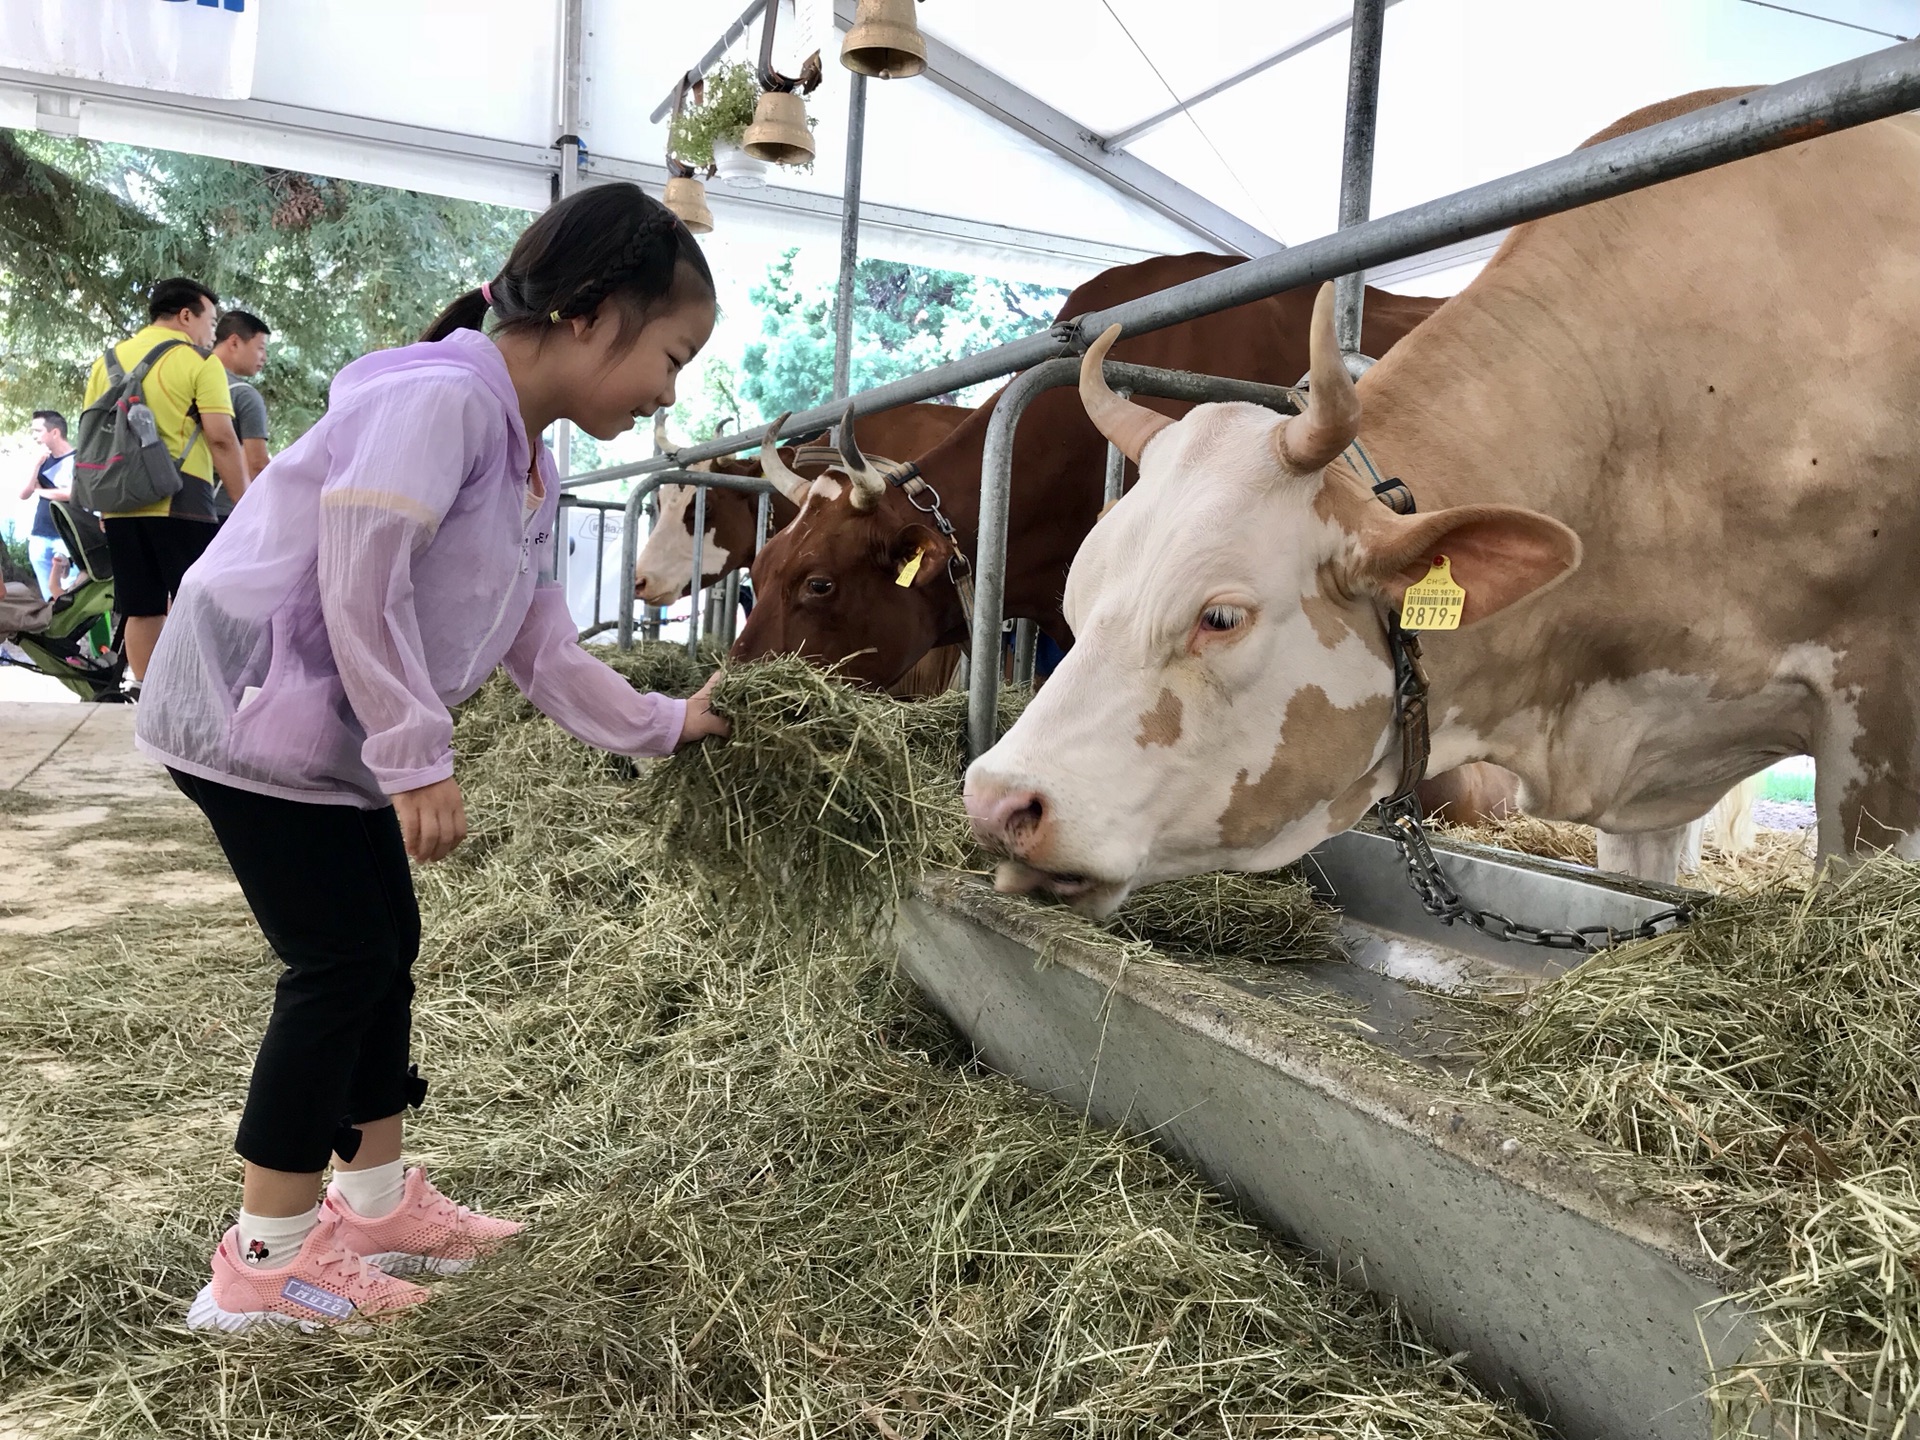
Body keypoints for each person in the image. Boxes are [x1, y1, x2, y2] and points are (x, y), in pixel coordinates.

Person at [134, 182, 729, 1332]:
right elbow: (359, 564)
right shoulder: (444, 398)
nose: (671, 387)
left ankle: (371, 1203)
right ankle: (262, 1266)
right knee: (341, 961)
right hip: (253, 713)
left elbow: (541, 646)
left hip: (324, 733)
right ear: (591, 314)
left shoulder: (527, 462)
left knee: (383, 945)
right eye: (671, 352)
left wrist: (666, 725)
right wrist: (415, 751)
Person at [84, 278, 251, 689]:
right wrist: (247, 501)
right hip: (182, 498)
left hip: (120, 500)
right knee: (201, 602)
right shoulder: (199, 362)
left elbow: (94, 436)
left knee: (141, 607)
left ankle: (152, 698)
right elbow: (221, 437)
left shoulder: (105, 362)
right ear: (186, 315)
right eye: (210, 322)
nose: (211, 333)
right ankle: (201, 694)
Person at [210, 310, 272, 523]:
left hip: (176, 501)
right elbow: (257, 463)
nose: (264, 357)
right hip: (224, 509)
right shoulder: (243, 394)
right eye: (260, 348)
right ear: (234, 342)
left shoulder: (184, 378)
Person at [18, 410, 74, 600]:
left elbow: (73, 494)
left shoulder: (77, 459)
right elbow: (24, 493)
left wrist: (40, 491)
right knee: (49, 599)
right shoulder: (41, 460)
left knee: (71, 594)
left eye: (38, 431)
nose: (34, 436)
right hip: (40, 535)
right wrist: (35, 465)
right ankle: (57, 629)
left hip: (67, 535)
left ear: (55, 432)